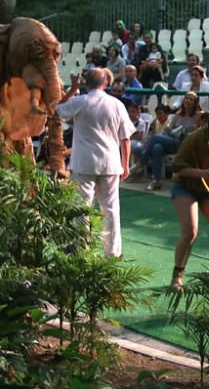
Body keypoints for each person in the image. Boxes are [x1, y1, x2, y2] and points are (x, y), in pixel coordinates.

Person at [56, 68, 135, 257]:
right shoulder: (116, 104)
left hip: (84, 162)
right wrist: (125, 164)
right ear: (106, 83)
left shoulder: (80, 101)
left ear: (85, 83)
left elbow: (57, 109)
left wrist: (72, 88)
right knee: (110, 208)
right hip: (110, 162)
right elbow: (126, 138)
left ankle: (81, 248)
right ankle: (113, 253)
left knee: (82, 206)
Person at [168, 102, 209, 289]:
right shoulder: (194, 139)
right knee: (190, 232)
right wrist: (202, 173)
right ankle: (177, 276)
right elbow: (178, 169)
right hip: (185, 186)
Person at [142, 91, 201, 190]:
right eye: (187, 98)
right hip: (175, 141)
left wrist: (194, 130)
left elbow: (201, 130)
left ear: (195, 103)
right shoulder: (178, 115)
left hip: (187, 144)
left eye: (191, 99)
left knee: (155, 137)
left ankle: (141, 163)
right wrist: (169, 130)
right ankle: (156, 180)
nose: (188, 100)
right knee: (157, 147)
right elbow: (170, 131)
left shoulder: (198, 115)